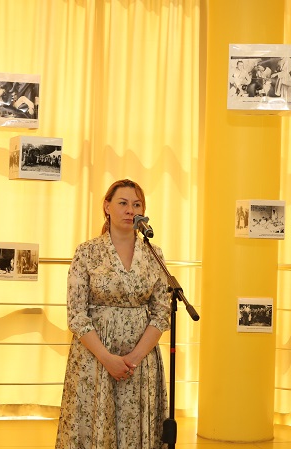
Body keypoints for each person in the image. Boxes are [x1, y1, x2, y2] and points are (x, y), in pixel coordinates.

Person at [55, 179, 170, 448]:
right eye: (123, 203)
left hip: (140, 363)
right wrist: (108, 359)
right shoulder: (87, 252)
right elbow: (76, 314)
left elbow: (162, 312)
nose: (130, 210)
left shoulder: (154, 254)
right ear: (107, 206)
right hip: (94, 359)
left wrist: (133, 359)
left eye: (137, 204)